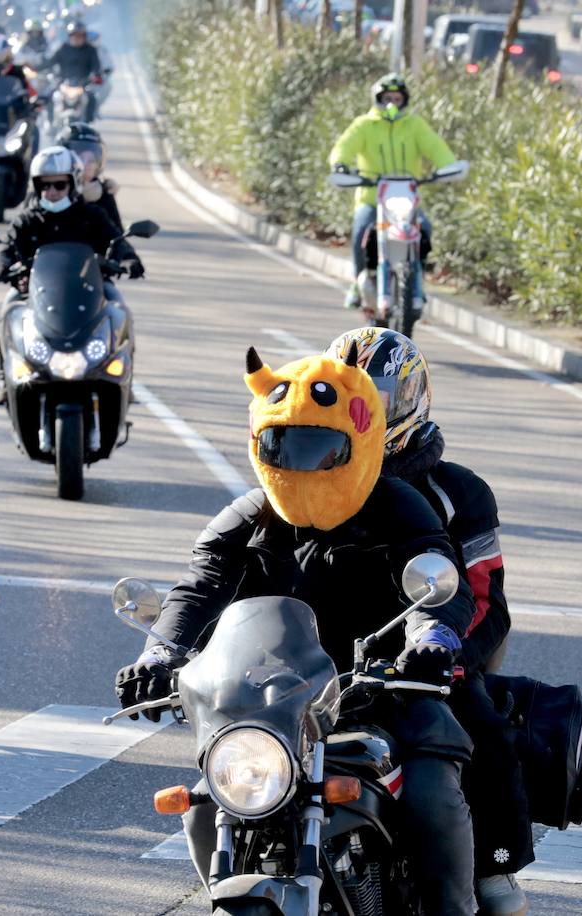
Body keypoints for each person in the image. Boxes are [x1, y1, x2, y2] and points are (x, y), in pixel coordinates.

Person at [116, 346, 479, 915]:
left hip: (383, 690)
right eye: (287, 447)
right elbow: (199, 585)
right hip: (277, 700)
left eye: (321, 448)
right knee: (208, 800)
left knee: (432, 796)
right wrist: (159, 653)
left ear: (354, 446)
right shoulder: (249, 515)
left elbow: (435, 576)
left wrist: (429, 640)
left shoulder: (400, 507)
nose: (304, 464)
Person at [327, 328, 528, 916]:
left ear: (409, 399)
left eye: (374, 399)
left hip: (431, 664)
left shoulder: (458, 492)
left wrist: (443, 655)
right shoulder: (311, 479)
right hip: (321, 672)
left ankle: (490, 871)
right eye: (346, 396)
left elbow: (487, 599)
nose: (361, 412)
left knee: (476, 736)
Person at [329, 72, 457, 316]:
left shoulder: (415, 125)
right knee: (360, 233)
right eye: (387, 98)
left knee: (425, 230)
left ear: (405, 100)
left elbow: (436, 147)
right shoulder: (364, 125)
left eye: (397, 99)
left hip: (406, 202)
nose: (392, 104)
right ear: (377, 98)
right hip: (371, 200)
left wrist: (448, 166)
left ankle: (415, 281)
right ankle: (358, 284)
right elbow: (343, 147)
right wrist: (340, 164)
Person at [0, 146, 139, 284]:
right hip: (34, 293)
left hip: (91, 290)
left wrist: (129, 259)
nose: (52, 192)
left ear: (74, 184)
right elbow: (7, 248)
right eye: (44, 185)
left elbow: (117, 242)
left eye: (60, 185)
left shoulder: (93, 216)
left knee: (118, 310)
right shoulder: (26, 220)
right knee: (10, 308)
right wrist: (0, 262)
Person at [59, 122, 120, 226]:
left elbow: (118, 237)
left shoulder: (104, 195)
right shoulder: (47, 191)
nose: (86, 165)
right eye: (79, 158)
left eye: (92, 160)